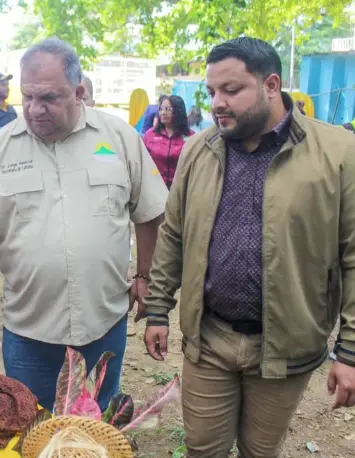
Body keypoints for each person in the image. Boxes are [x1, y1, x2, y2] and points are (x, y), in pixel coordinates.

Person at [142, 37, 355, 458]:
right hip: (209, 338)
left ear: (271, 85)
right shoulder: (198, 152)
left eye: (231, 90)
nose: (217, 102)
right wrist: (156, 308)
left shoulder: (338, 153)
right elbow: (173, 234)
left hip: (284, 346)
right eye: (211, 92)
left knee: (260, 451)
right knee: (203, 449)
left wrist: (350, 349)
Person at [0, 38, 168, 411]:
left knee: (97, 422)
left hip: (102, 321)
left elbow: (150, 211)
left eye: (48, 98)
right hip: (30, 331)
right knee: (31, 422)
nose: (34, 108)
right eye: (27, 96)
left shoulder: (118, 138)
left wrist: (143, 274)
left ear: (78, 92)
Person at [142, 95, 193, 189]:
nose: (163, 113)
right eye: (161, 109)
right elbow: (143, 162)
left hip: (180, 189)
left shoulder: (191, 137)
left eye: (168, 109)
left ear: (178, 111)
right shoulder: (150, 135)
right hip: (154, 188)